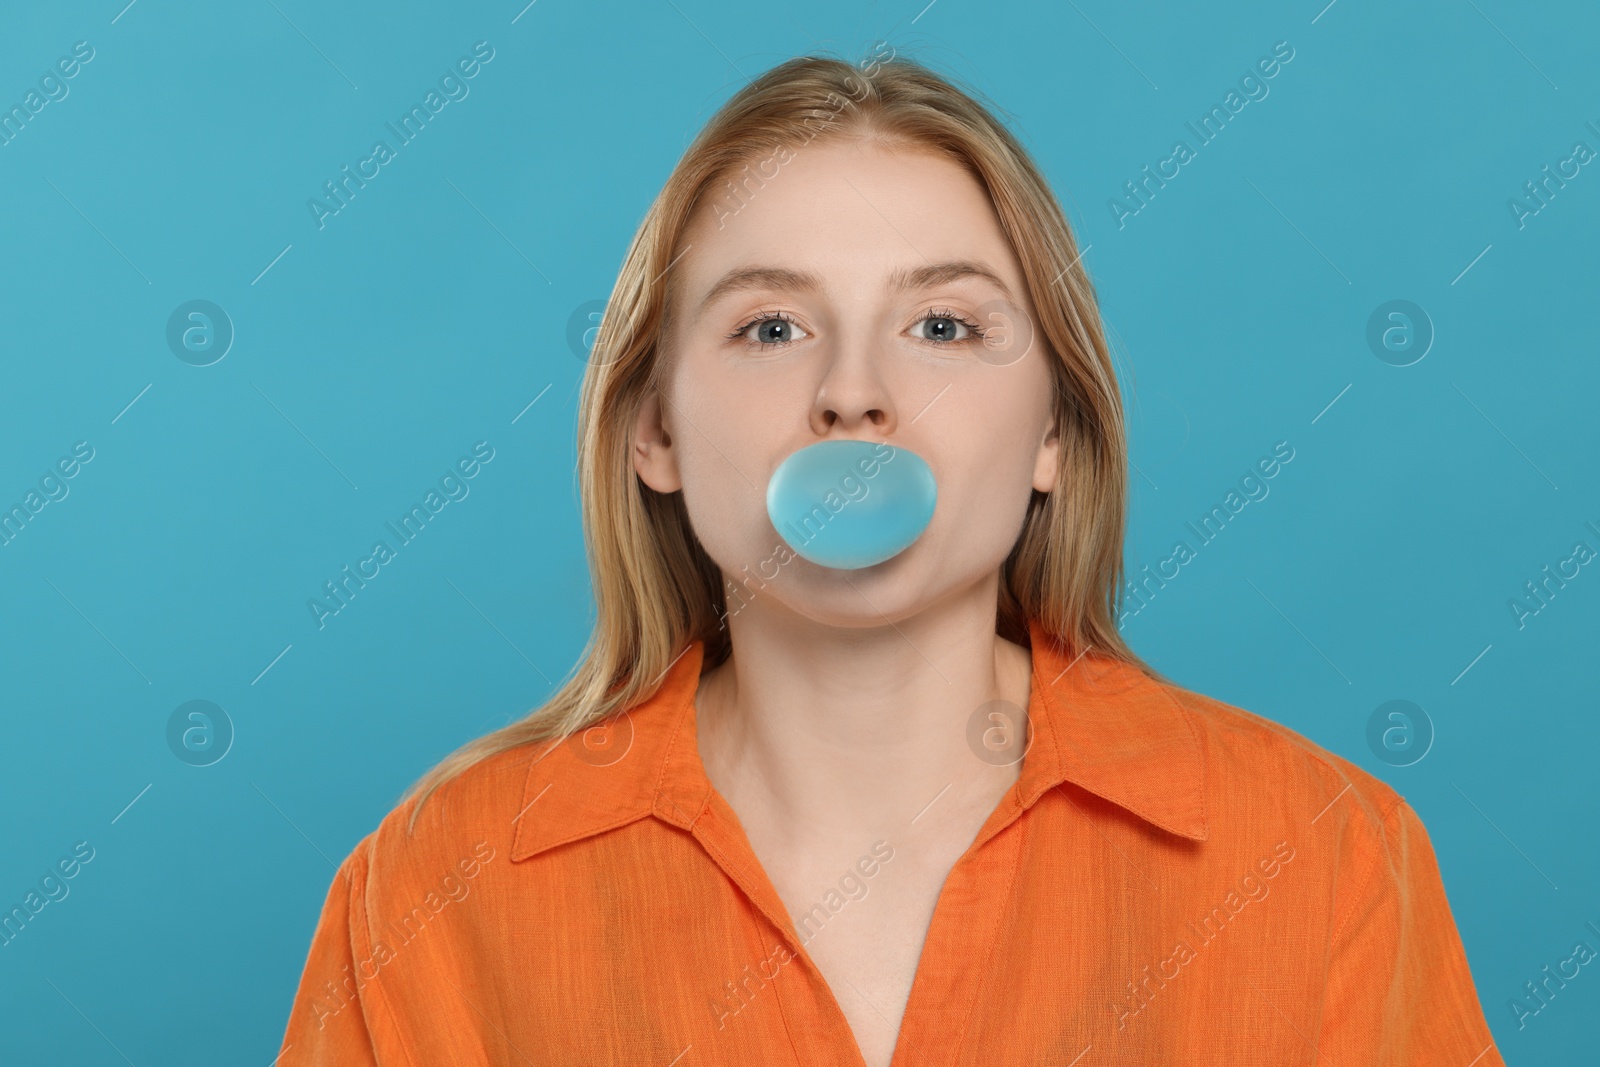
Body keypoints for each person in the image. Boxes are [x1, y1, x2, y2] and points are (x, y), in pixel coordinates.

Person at [276, 50, 1505, 1066]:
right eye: (770, 325)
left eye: (941, 325)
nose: (854, 393)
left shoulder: (1322, 853)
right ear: (653, 430)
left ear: (1052, 434)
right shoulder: (435, 890)